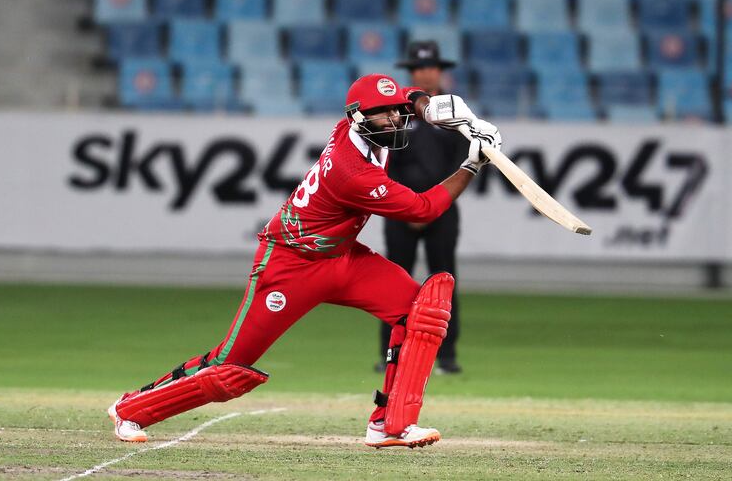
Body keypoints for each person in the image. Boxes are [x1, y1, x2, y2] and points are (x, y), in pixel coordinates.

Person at [106, 73, 501, 448]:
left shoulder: (354, 125)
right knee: (232, 363)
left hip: (341, 257)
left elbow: (403, 96)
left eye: (398, 110)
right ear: (359, 119)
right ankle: (130, 410)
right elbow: (423, 209)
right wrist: (472, 164)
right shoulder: (352, 173)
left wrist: (429, 108)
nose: (396, 118)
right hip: (290, 265)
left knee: (420, 311)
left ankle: (390, 425)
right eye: (387, 113)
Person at [376, 41, 468, 375]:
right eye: (417, 69)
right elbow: (387, 163)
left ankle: (445, 356)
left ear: (440, 71)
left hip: (442, 210)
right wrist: (408, 207)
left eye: (429, 67)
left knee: (443, 279)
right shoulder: (397, 111)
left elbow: (463, 165)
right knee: (393, 282)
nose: (424, 73)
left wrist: (431, 205)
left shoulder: (455, 113)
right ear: (411, 73)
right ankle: (391, 353)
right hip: (401, 211)